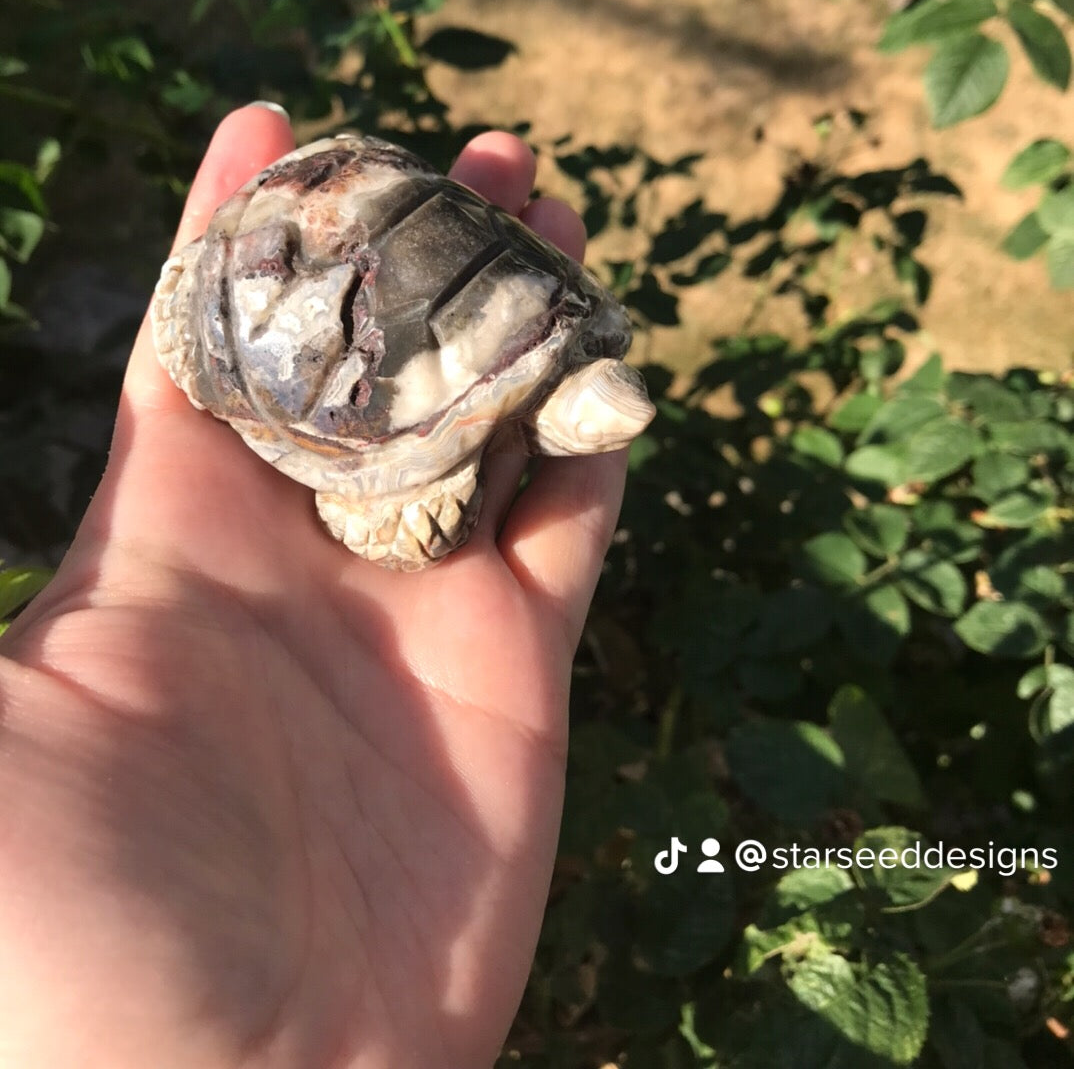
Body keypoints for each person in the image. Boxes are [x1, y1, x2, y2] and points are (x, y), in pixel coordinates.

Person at [0, 104, 631, 1068]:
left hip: (386, 257)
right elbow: (393, 515)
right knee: (412, 536)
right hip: (313, 305)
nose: (615, 427)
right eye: (598, 412)